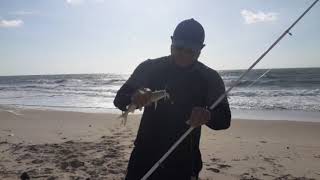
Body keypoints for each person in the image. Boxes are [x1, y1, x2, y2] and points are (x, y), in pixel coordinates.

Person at [114, 18, 231, 180]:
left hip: (185, 162)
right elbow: (119, 100)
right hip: (144, 157)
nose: (183, 54)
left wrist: (208, 115)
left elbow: (224, 119)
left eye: (191, 50)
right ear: (171, 43)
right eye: (178, 47)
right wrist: (134, 96)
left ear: (201, 49)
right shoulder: (149, 68)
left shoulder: (210, 78)